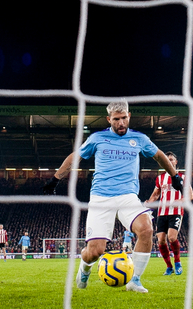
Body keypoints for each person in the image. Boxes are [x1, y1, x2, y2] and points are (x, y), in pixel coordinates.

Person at [43, 100, 184, 293]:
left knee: (146, 229)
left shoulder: (139, 139)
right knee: (95, 252)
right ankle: (84, 268)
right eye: (116, 119)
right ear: (109, 119)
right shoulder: (97, 138)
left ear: (129, 116)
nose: (121, 123)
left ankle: (134, 280)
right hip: (102, 198)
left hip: (128, 197)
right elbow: (75, 157)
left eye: (124, 118)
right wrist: (55, 179)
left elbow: (159, 156)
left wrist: (175, 176)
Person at [145, 151, 193, 276]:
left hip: (176, 211)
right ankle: (169, 266)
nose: (169, 161)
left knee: (172, 237)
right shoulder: (160, 178)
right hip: (162, 212)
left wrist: (180, 201)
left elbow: (190, 195)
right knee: (161, 240)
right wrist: (149, 202)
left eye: (171, 159)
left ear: (176, 162)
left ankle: (177, 262)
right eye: (167, 159)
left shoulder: (183, 178)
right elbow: (156, 194)